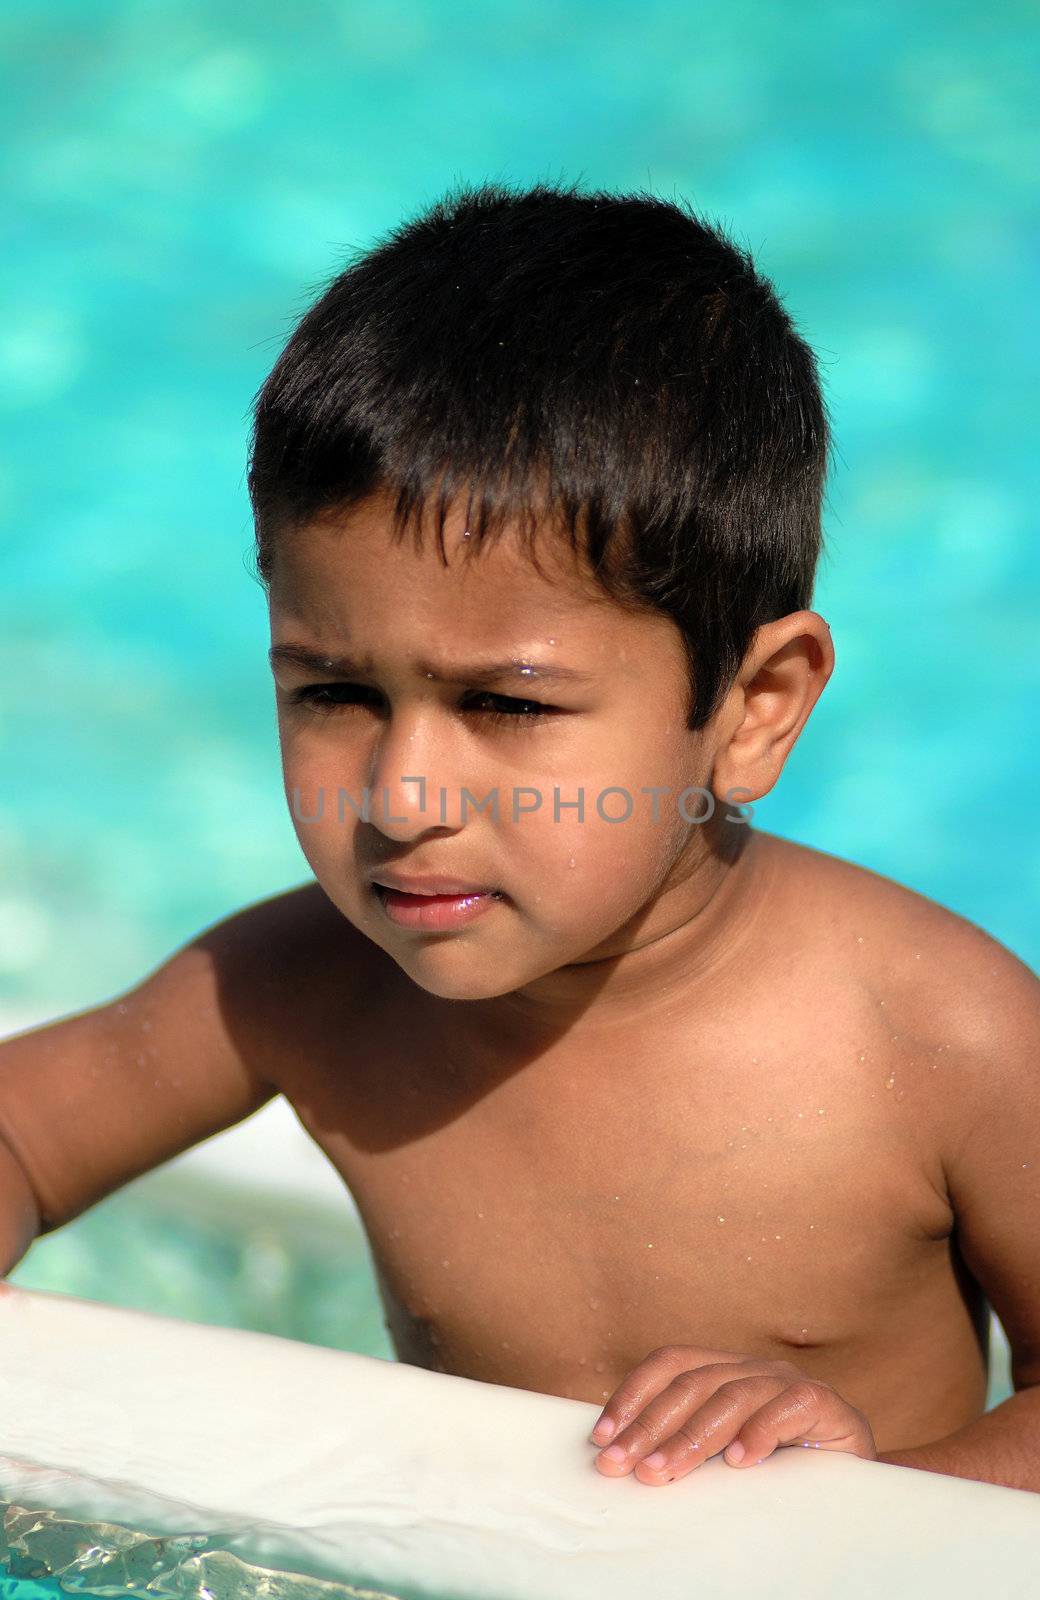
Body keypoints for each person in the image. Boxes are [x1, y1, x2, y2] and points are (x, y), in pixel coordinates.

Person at [2, 178, 1038, 1494]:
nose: (402, 794)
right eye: (334, 692)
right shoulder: (307, 987)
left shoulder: (939, 1039)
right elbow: (22, 1135)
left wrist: (885, 1483)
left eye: (505, 703)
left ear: (752, 711)